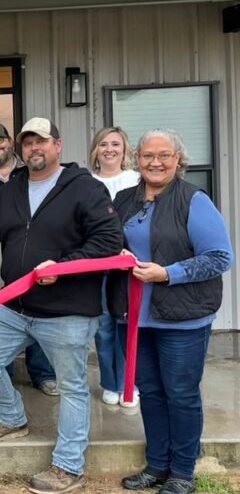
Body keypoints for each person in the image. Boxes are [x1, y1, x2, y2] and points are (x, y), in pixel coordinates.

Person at [0, 117, 123, 494]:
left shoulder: (84, 188)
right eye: (27, 143)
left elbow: (109, 240)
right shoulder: (11, 191)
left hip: (68, 309)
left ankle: (69, 465)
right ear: (20, 149)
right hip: (15, 303)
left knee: (72, 387)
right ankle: (11, 418)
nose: (34, 149)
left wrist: (63, 266)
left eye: (41, 142)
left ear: (57, 145)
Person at [108, 129, 232, 494]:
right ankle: (157, 465)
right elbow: (108, 243)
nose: (155, 162)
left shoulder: (193, 199)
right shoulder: (124, 198)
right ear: (136, 159)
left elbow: (220, 257)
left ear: (178, 160)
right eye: (147, 155)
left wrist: (168, 274)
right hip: (134, 317)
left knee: (180, 393)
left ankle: (182, 472)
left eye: (164, 155)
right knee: (151, 391)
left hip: (182, 318)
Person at [0, 122, 58, 396]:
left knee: (38, 313)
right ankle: (4, 379)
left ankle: (43, 374)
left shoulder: (30, 171)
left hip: (37, 257)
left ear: (11, 142)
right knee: (3, 317)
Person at [88, 127, 140, 408]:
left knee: (128, 325)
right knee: (104, 326)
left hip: (130, 267)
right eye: (103, 144)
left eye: (115, 144)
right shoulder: (86, 183)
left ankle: (130, 382)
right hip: (98, 266)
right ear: (95, 150)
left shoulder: (137, 180)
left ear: (125, 149)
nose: (109, 149)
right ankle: (110, 382)